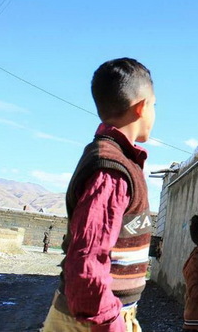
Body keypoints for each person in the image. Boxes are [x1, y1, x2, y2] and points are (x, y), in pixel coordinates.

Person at [41, 58, 156, 332]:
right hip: (90, 321)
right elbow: (87, 260)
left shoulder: (116, 161)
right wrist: (109, 321)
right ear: (141, 107)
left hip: (101, 315)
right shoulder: (111, 169)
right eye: (155, 106)